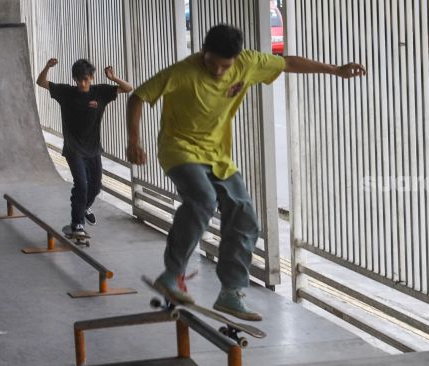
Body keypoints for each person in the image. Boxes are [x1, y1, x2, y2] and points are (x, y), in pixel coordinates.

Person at [125, 24, 365, 321]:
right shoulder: (182, 71)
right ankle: (172, 274)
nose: (217, 71)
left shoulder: (249, 63)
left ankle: (231, 293)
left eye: (225, 66)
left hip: (218, 156)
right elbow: (138, 96)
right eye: (211, 63)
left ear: (236, 59)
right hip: (179, 150)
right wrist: (133, 140)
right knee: (203, 199)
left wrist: (334, 70)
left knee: (245, 215)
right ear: (203, 53)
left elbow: (287, 62)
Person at [37, 58, 132, 237]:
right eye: (79, 80)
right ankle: (77, 224)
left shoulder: (101, 92)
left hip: (93, 149)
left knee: (95, 187)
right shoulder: (66, 92)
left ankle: (85, 207)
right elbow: (41, 82)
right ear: (74, 79)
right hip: (73, 149)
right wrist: (47, 67)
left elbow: (128, 88)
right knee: (81, 185)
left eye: (86, 79)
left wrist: (114, 78)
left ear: (92, 78)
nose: (82, 83)